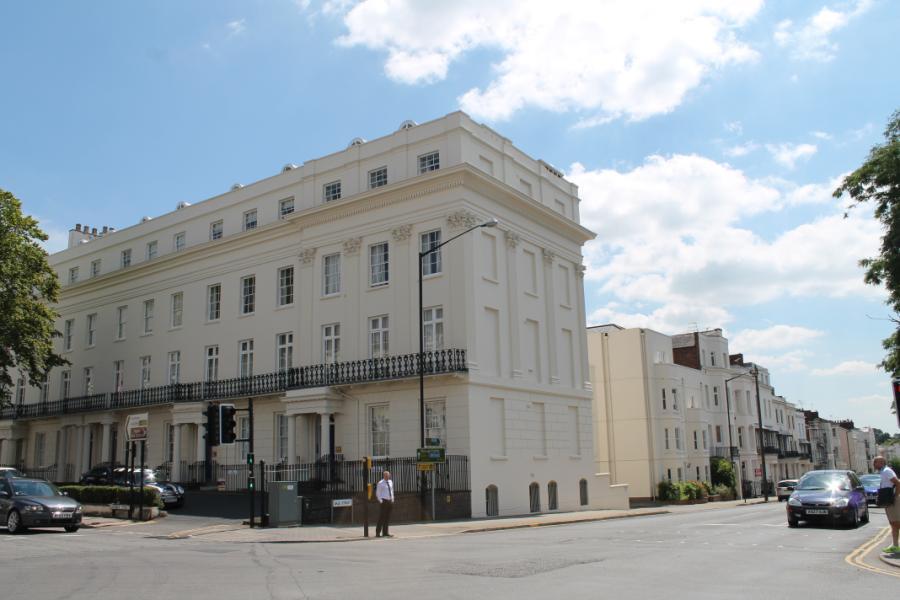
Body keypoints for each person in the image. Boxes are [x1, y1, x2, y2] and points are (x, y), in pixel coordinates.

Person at [874, 456, 900, 553]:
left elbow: (898, 483)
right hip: (888, 500)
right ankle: (895, 546)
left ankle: (896, 546)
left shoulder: (886, 471)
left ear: (881, 463)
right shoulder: (884, 472)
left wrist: (895, 497)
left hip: (893, 500)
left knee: (896, 523)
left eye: (875, 462)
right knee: (893, 524)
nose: (874, 464)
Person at [375, 470, 394, 538]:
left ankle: (385, 533)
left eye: (388, 475)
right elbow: (378, 493)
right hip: (384, 501)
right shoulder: (380, 483)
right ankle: (377, 533)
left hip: (389, 501)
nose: (387, 476)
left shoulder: (390, 482)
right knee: (381, 518)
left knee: (387, 517)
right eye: (385, 475)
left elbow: (391, 491)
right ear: (383, 476)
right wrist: (380, 501)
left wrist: (392, 499)